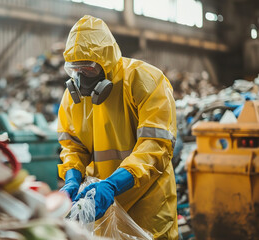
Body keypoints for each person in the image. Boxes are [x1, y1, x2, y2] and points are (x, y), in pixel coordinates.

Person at [58, 15, 178, 239]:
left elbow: (156, 146)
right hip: (100, 207)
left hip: (147, 208)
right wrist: (72, 176)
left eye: (89, 70)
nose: (81, 79)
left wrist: (113, 185)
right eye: (75, 70)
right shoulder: (72, 98)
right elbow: (72, 146)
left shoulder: (146, 81)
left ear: (107, 64)